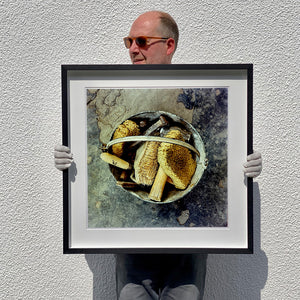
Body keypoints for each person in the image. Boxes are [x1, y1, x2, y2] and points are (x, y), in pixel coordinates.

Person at [54, 11, 262, 300]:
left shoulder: (197, 95)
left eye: (141, 41)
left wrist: (242, 164)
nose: (132, 49)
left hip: (188, 238)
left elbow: (218, 156)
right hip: (132, 241)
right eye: (128, 41)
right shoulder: (109, 95)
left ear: (169, 45)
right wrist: (73, 161)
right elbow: (100, 157)